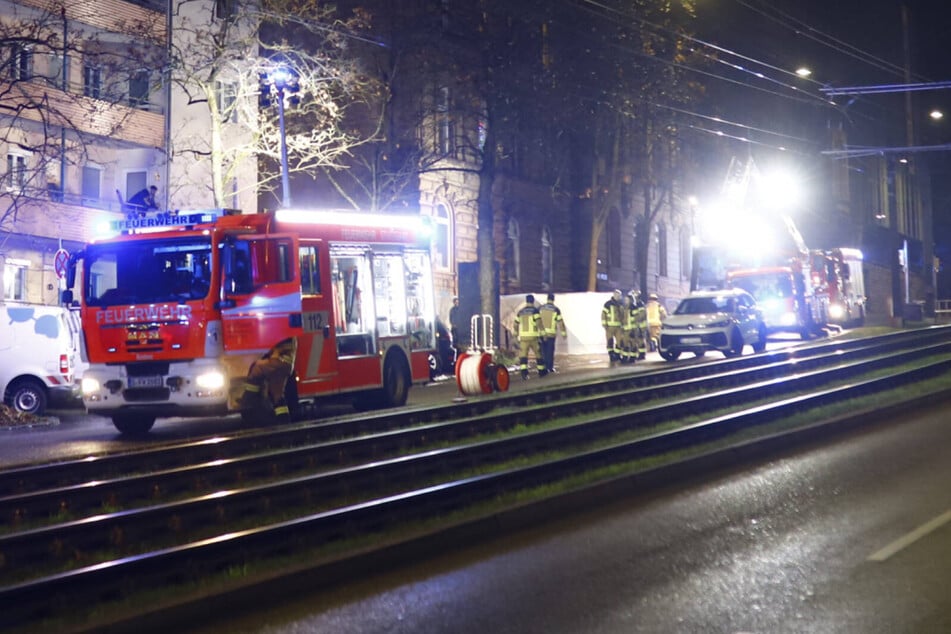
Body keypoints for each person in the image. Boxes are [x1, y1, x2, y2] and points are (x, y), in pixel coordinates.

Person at [516, 294, 544, 379]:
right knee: (538, 354)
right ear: (533, 301)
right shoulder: (535, 311)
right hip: (533, 337)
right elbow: (539, 323)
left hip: (523, 338)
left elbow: (515, 324)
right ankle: (541, 372)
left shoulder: (520, 312)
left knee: (523, 356)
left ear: (526, 301)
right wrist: (543, 334)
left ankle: (524, 373)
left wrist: (515, 335)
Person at [538, 292, 568, 374]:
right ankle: (549, 367)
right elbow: (560, 322)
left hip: (541, 334)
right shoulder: (555, 310)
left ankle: (543, 367)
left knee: (543, 351)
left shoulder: (540, 308)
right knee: (550, 351)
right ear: (553, 300)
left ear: (547, 299)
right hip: (550, 335)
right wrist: (563, 333)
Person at [601, 289, 624, 364]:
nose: (618, 296)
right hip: (609, 327)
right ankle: (611, 355)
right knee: (610, 341)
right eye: (617, 295)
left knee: (620, 341)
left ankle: (617, 355)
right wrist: (604, 324)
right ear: (614, 295)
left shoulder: (621, 304)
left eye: (619, 295)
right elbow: (603, 314)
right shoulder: (608, 304)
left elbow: (623, 315)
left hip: (619, 327)